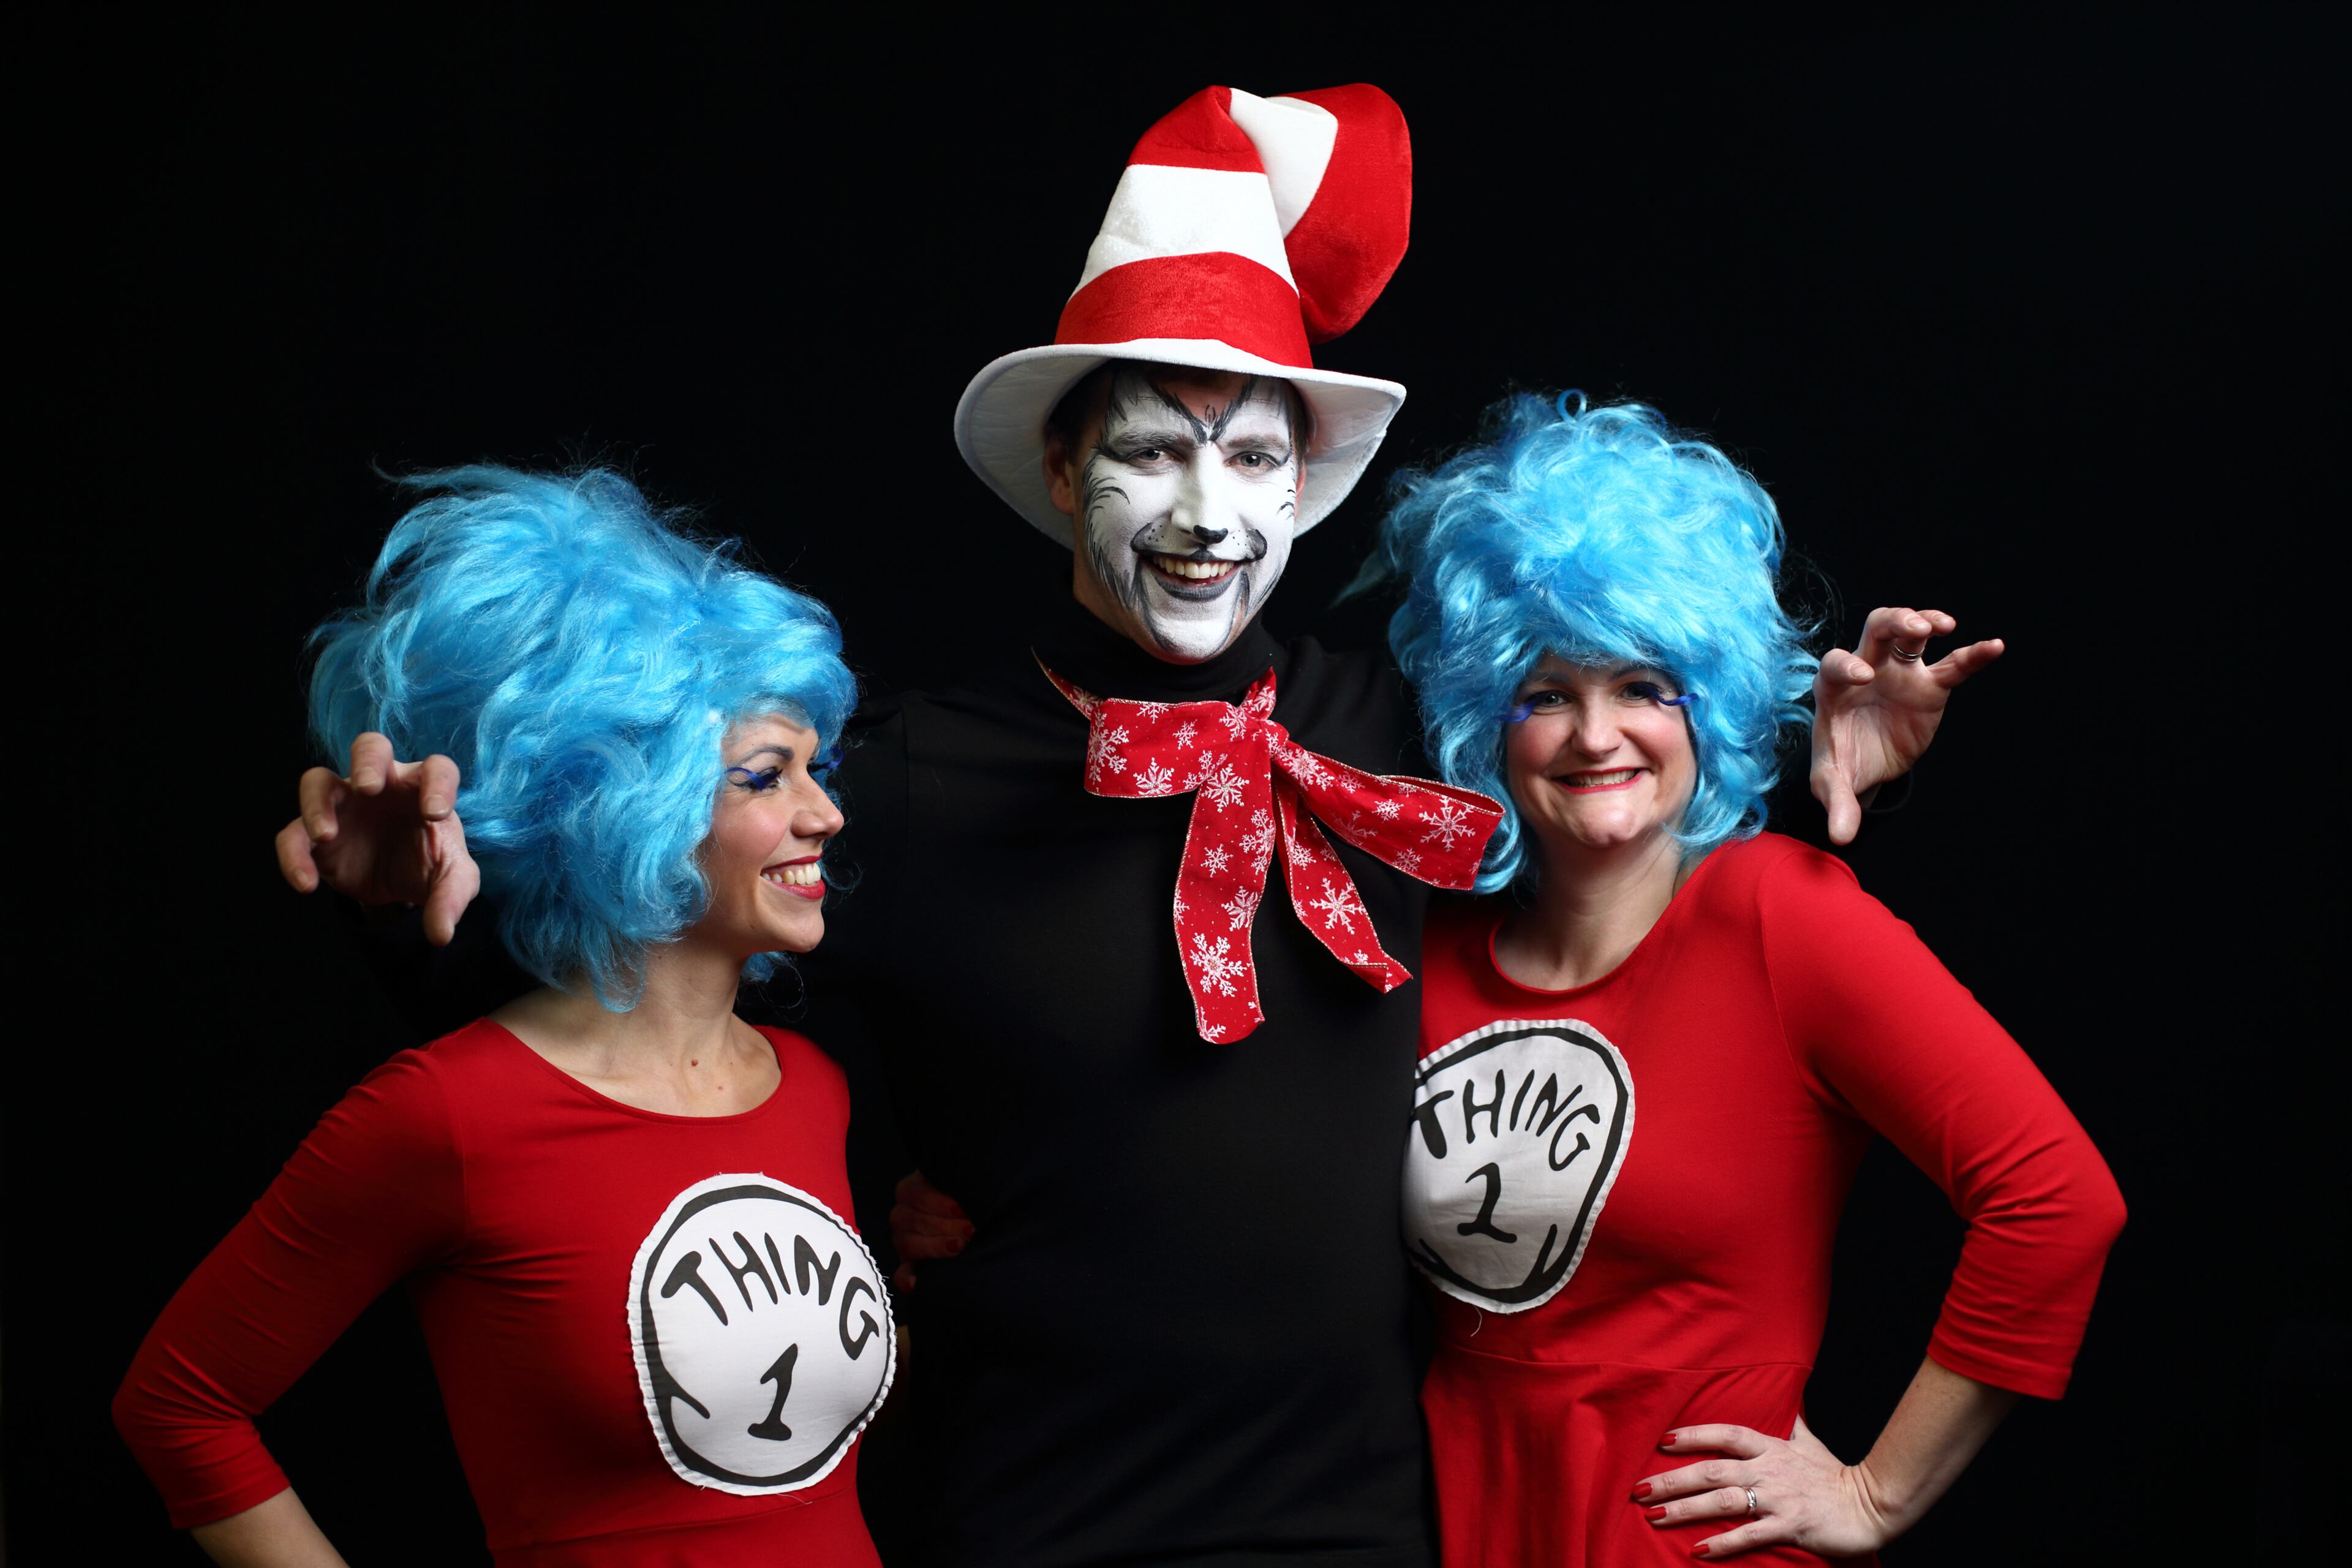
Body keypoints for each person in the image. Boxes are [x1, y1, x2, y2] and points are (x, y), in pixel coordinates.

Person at [280, 90, 1958, 1567]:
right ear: (1061, 465)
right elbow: (632, 1031)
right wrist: (406, 926)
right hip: (1029, 1516)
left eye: (1255, 457)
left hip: (1369, 1521)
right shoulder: (910, 777)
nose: (1209, 515)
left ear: (1302, 488)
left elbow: (1618, 867)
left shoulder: (1400, 732)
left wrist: (1807, 767)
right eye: (1153, 453)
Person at [1368, 394, 2124, 1564]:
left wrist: (1878, 1495)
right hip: (1456, 1530)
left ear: (1709, 702)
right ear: (1484, 717)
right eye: (1548, 694)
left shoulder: (1780, 917)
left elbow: (2057, 1203)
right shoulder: (1423, 954)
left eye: (1643, 687)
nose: (1596, 736)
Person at [117, 468, 895, 1567]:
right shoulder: (451, 1115)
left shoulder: (814, 1087)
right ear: (621, 807)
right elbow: (179, 1404)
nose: (827, 813)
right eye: (765, 778)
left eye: (820, 770)